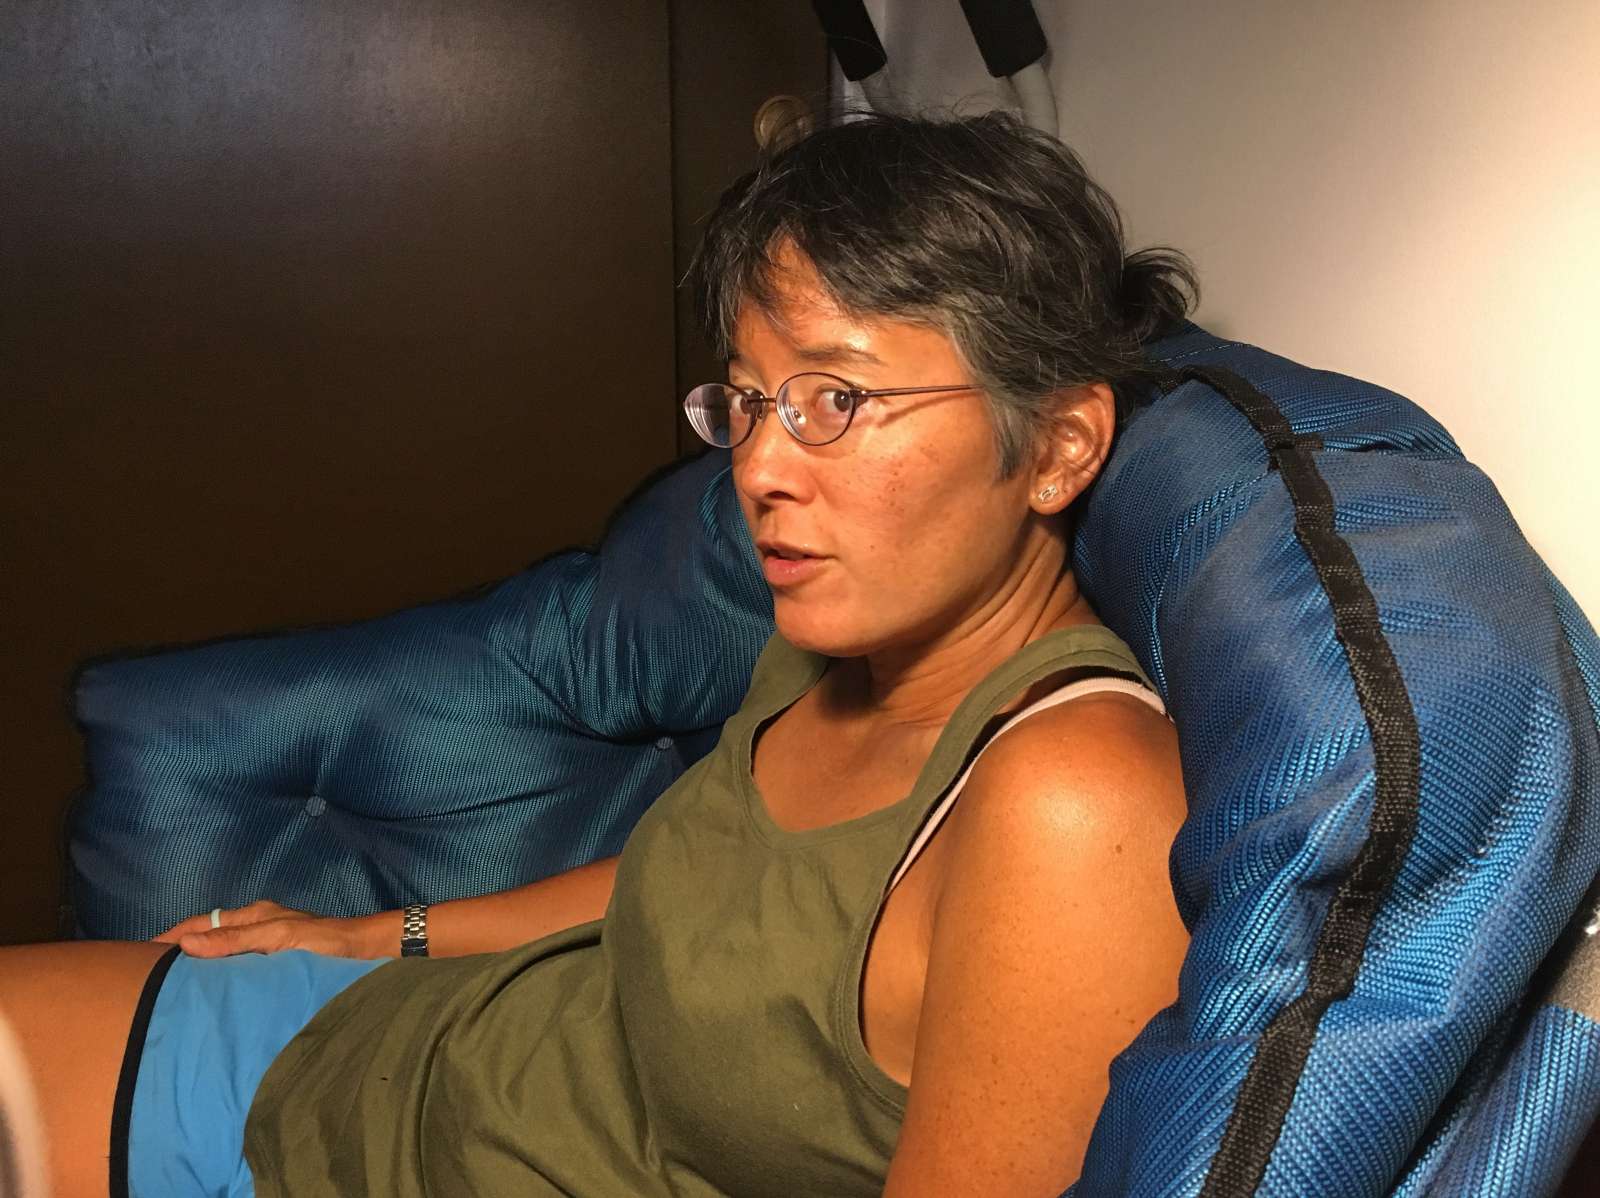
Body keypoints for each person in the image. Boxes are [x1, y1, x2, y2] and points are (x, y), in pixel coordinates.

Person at [0, 110, 1196, 1198]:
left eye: (834, 400)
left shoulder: (1071, 804)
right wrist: (374, 934)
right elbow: (699, 886)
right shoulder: (851, 637)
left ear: (1058, 445)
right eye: (748, 402)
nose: (759, 469)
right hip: (380, 1040)